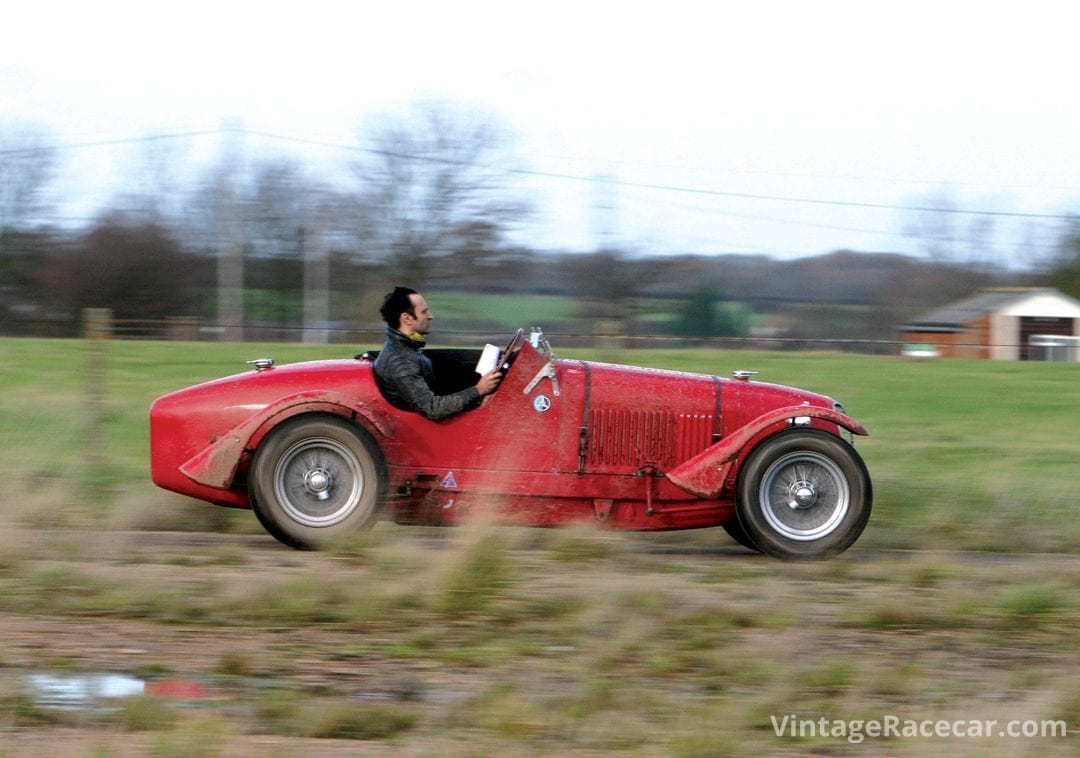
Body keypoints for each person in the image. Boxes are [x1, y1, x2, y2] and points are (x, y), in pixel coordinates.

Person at [372, 286, 502, 419]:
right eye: (424, 312)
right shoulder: (402, 361)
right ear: (406, 319)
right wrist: (479, 390)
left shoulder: (405, 346)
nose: (431, 316)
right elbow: (432, 409)